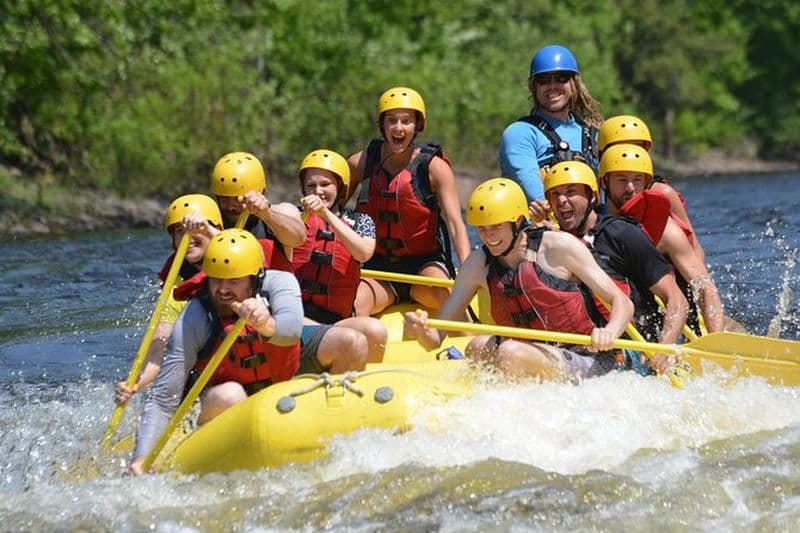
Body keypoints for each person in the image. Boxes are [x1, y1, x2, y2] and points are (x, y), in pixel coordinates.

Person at [404, 178, 634, 380]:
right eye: (482, 229)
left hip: (585, 357)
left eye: (496, 227)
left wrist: (610, 332)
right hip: (530, 352)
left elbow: (621, 301)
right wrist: (421, 331)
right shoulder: (477, 264)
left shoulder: (557, 247)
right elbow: (435, 338)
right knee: (477, 347)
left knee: (509, 353)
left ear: (517, 222)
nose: (489, 236)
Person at [129, 228, 303, 475]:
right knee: (230, 395)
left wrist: (265, 324)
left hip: (279, 390)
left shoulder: (279, 284)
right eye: (216, 280)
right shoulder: (195, 316)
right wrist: (141, 459)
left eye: (234, 281)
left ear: (255, 279)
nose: (222, 289)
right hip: (219, 405)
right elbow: (163, 398)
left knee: (351, 340)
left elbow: (292, 331)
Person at [542, 161, 689, 362]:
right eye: (554, 194)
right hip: (583, 349)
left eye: (570, 192)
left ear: (592, 196)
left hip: (634, 348)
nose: (562, 201)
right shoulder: (549, 243)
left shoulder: (622, 234)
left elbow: (676, 299)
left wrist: (665, 348)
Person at [346, 87, 471, 316]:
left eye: (406, 121)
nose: (398, 127)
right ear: (382, 126)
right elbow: (332, 210)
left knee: (447, 299)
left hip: (424, 267)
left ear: (417, 126)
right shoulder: (360, 163)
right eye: (391, 120)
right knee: (354, 303)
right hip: (378, 269)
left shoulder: (434, 168)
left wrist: (467, 271)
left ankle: (470, 346)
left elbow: (455, 223)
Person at [599, 143, 725, 333]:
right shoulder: (591, 220)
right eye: (621, 180)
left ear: (646, 183)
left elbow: (705, 289)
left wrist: (717, 340)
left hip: (658, 317)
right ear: (604, 183)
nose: (630, 188)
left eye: (637, 180)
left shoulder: (667, 231)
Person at [115, 194, 222, 405]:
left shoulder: (239, 269)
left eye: (196, 228)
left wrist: (210, 231)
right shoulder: (175, 288)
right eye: (180, 231)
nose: (188, 236)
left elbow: (237, 246)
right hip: (202, 375)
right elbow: (156, 353)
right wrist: (135, 384)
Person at [294, 149, 387, 363]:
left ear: (341, 187)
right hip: (295, 317)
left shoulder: (361, 221)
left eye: (325, 184)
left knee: (375, 330)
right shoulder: (294, 217)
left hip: (337, 321)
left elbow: (363, 252)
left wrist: (326, 215)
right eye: (311, 185)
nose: (318, 191)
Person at [499, 44, 603, 216]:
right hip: (544, 229)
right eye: (544, 80)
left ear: (573, 84)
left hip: (592, 226)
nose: (552, 86)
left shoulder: (594, 134)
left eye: (561, 78)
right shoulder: (520, 133)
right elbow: (536, 197)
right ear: (534, 87)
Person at [597, 114, 706, 261]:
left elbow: (694, 248)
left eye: (636, 147)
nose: (628, 154)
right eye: (620, 147)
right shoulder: (591, 192)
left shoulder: (663, 192)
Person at [211, 151, 305, 269]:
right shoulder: (211, 220)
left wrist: (266, 214)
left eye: (237, 199)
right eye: (224, 199)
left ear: (262, 193)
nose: (231, 206)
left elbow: (298, 238)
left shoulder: (281, 211)